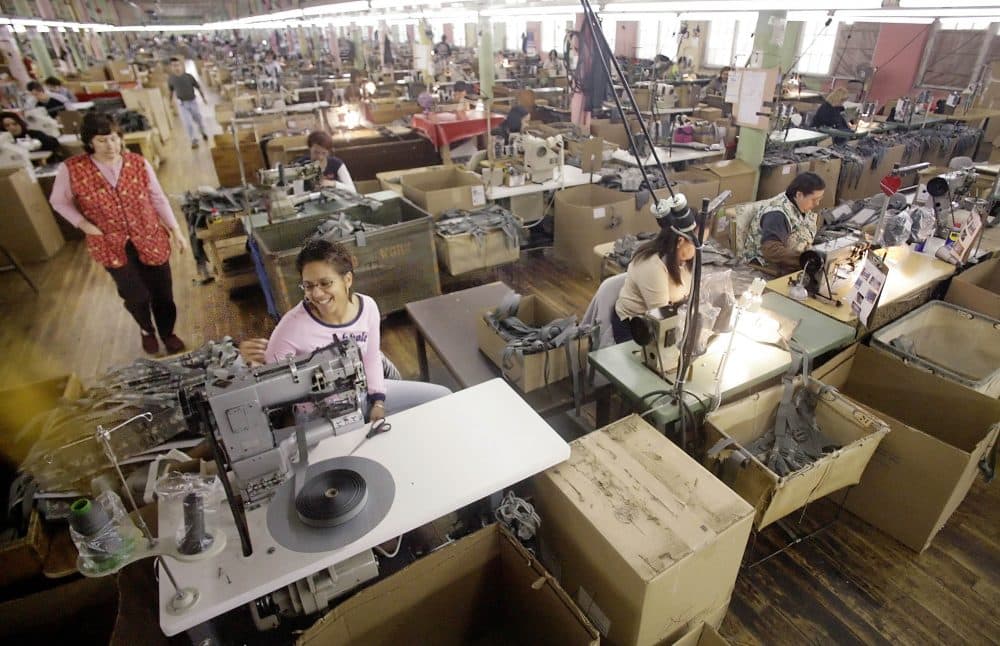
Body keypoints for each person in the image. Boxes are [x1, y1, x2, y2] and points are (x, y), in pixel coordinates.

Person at [240, 239, 451, 421]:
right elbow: (271, 387)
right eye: (308, 285)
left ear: (347, 279)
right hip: (321, 415)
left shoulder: (368, 307)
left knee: (442, 397)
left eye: (325, 283)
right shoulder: (291, 327)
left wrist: (378, 401)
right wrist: (251, 363)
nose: (317, 294)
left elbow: (370, 358)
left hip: (364, 394)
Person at [48, 112, 189, 355]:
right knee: (136, 296)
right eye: (102, 140)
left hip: (149, 235)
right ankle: (146, 329)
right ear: (90, 142)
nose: (110, 146)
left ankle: (168, 332)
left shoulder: (138, 163)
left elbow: (157, 198)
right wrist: (83, 224)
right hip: (110, 242)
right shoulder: (72, 169)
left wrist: (176, 231)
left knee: (163, 294)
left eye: (114, 139)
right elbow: (58, 201)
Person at [611, 223, 696, 343]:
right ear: (680, 241)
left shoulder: (684, 259)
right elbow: (661, 315)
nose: (700, 247)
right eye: (696, 243)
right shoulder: (652, 266)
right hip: (636, 327)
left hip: (665, 321)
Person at [743, 172, 825, 275]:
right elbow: (771, 251)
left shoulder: (800, 206)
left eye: (819, 199)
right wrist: (805, 260)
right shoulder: (777, 215)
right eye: (814, 200)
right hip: (766, 268)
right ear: (799, 194)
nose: (817, 204)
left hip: (793, 261)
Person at [167, 57, 208, 149]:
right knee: (187, 123)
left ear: (181, 66)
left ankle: (203, 132)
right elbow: (171, 91)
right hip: (182, 104)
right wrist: (170, 102)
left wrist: (203, 98)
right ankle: (193, 140)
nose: (176, 68)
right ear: (171, 68)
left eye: (177, 65)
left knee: (198, 119)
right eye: (174, 66)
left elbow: (198, 87)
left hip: (193, 102)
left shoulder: (189, 77)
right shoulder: (171, 79)